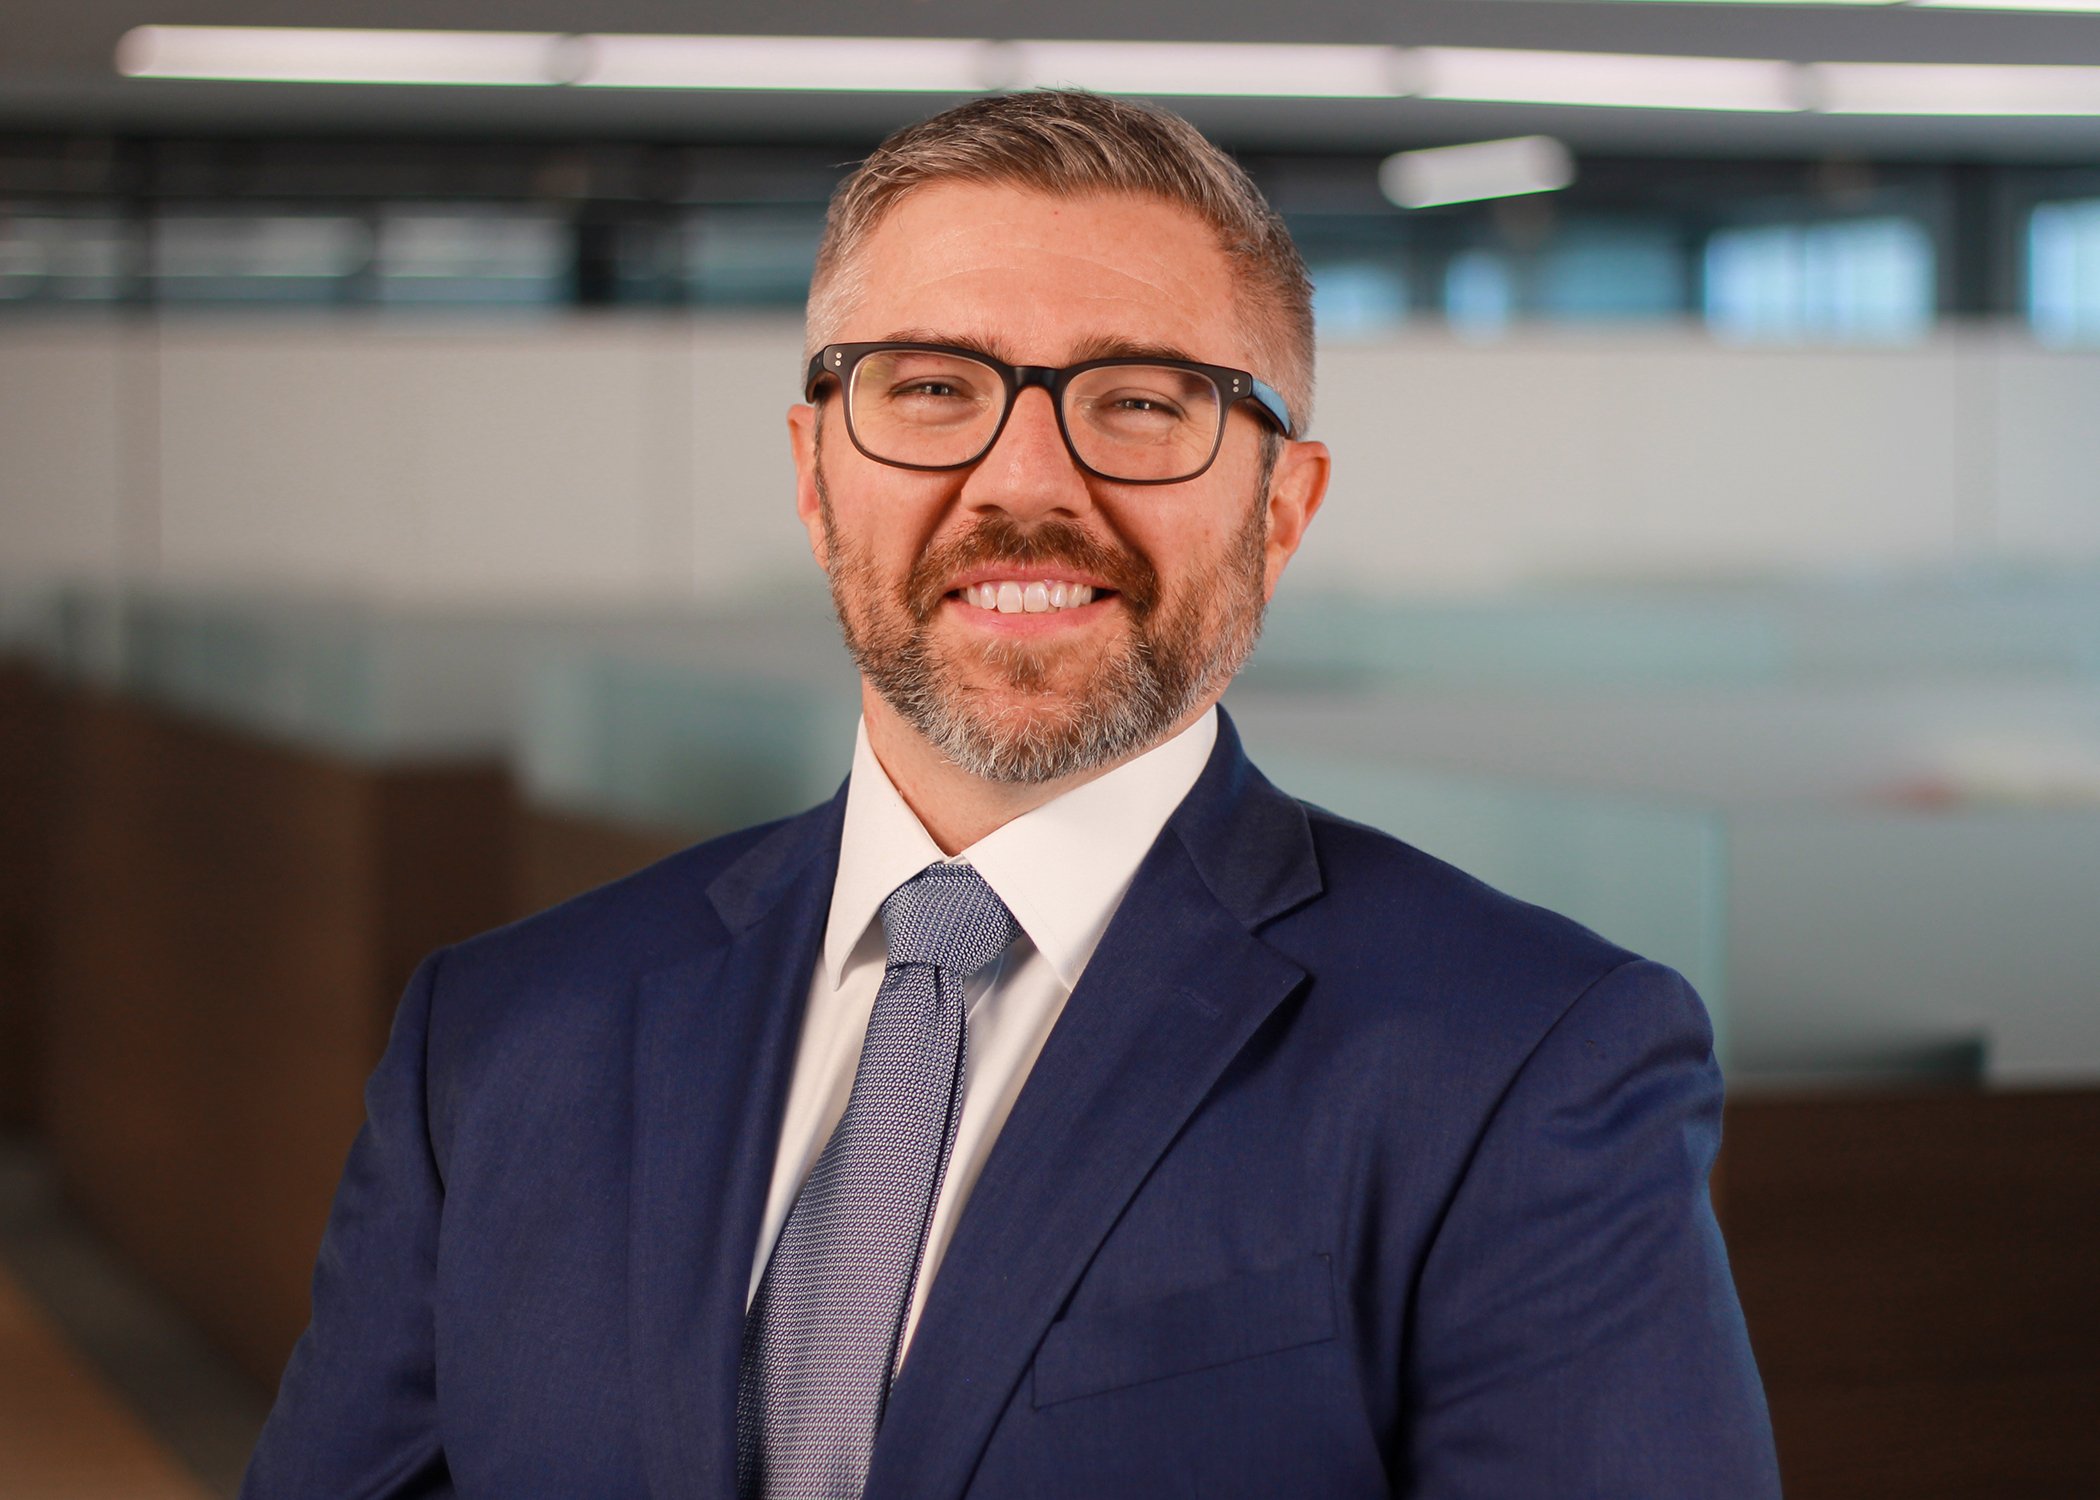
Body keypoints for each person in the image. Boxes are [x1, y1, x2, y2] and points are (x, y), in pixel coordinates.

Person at [242, 90, 1780, 1499]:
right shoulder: (503, 1039)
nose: (1025, 483)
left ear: (1282, 506)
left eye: (1141, 402)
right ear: (814, 470)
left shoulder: (1523, 1063)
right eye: (929, 388)